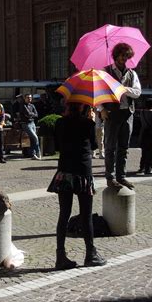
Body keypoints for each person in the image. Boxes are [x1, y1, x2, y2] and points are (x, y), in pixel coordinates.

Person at [48, 102, 107, 270]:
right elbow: (94, 146)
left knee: (63, 214)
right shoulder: (87, 123)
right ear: (82, 107)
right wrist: (91, 120)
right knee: (86, 214)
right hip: (82, 171)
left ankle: (60, 256)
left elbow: (57, 146)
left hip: (65, 171)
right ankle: (90, 254)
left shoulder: (60, 122)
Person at [100, 43, 141, 189]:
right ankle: (110, 177)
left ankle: (121, 176)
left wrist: (124, 89)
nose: (124, 58)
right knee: (110, 147)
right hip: (112, 113)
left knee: (124, 148)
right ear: (116, 55)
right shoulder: (105, 72)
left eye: (126, 56)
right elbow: (98, 93)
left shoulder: (132, 73)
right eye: (122, 55)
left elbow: (137, 92)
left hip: (127, 113)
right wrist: (101, 109)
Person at [137, 99, 152, 175]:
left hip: (143, 133)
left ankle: (142, 168)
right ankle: (148, 169)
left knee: (144, 151)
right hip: (151, 134)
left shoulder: (142, 111)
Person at [19, 93, 41, 160]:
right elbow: (27, 114)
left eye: (30, 98)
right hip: (26, 124)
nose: (29, 99)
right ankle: (38, 153)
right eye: (28, 97)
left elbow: (37, 114)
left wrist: (31, 115)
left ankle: (33, 154)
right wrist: (32, 114)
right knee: (35, 137)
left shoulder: (32, 105)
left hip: (32, 123)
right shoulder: (23, 106)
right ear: (25, 98)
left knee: (33, 139)